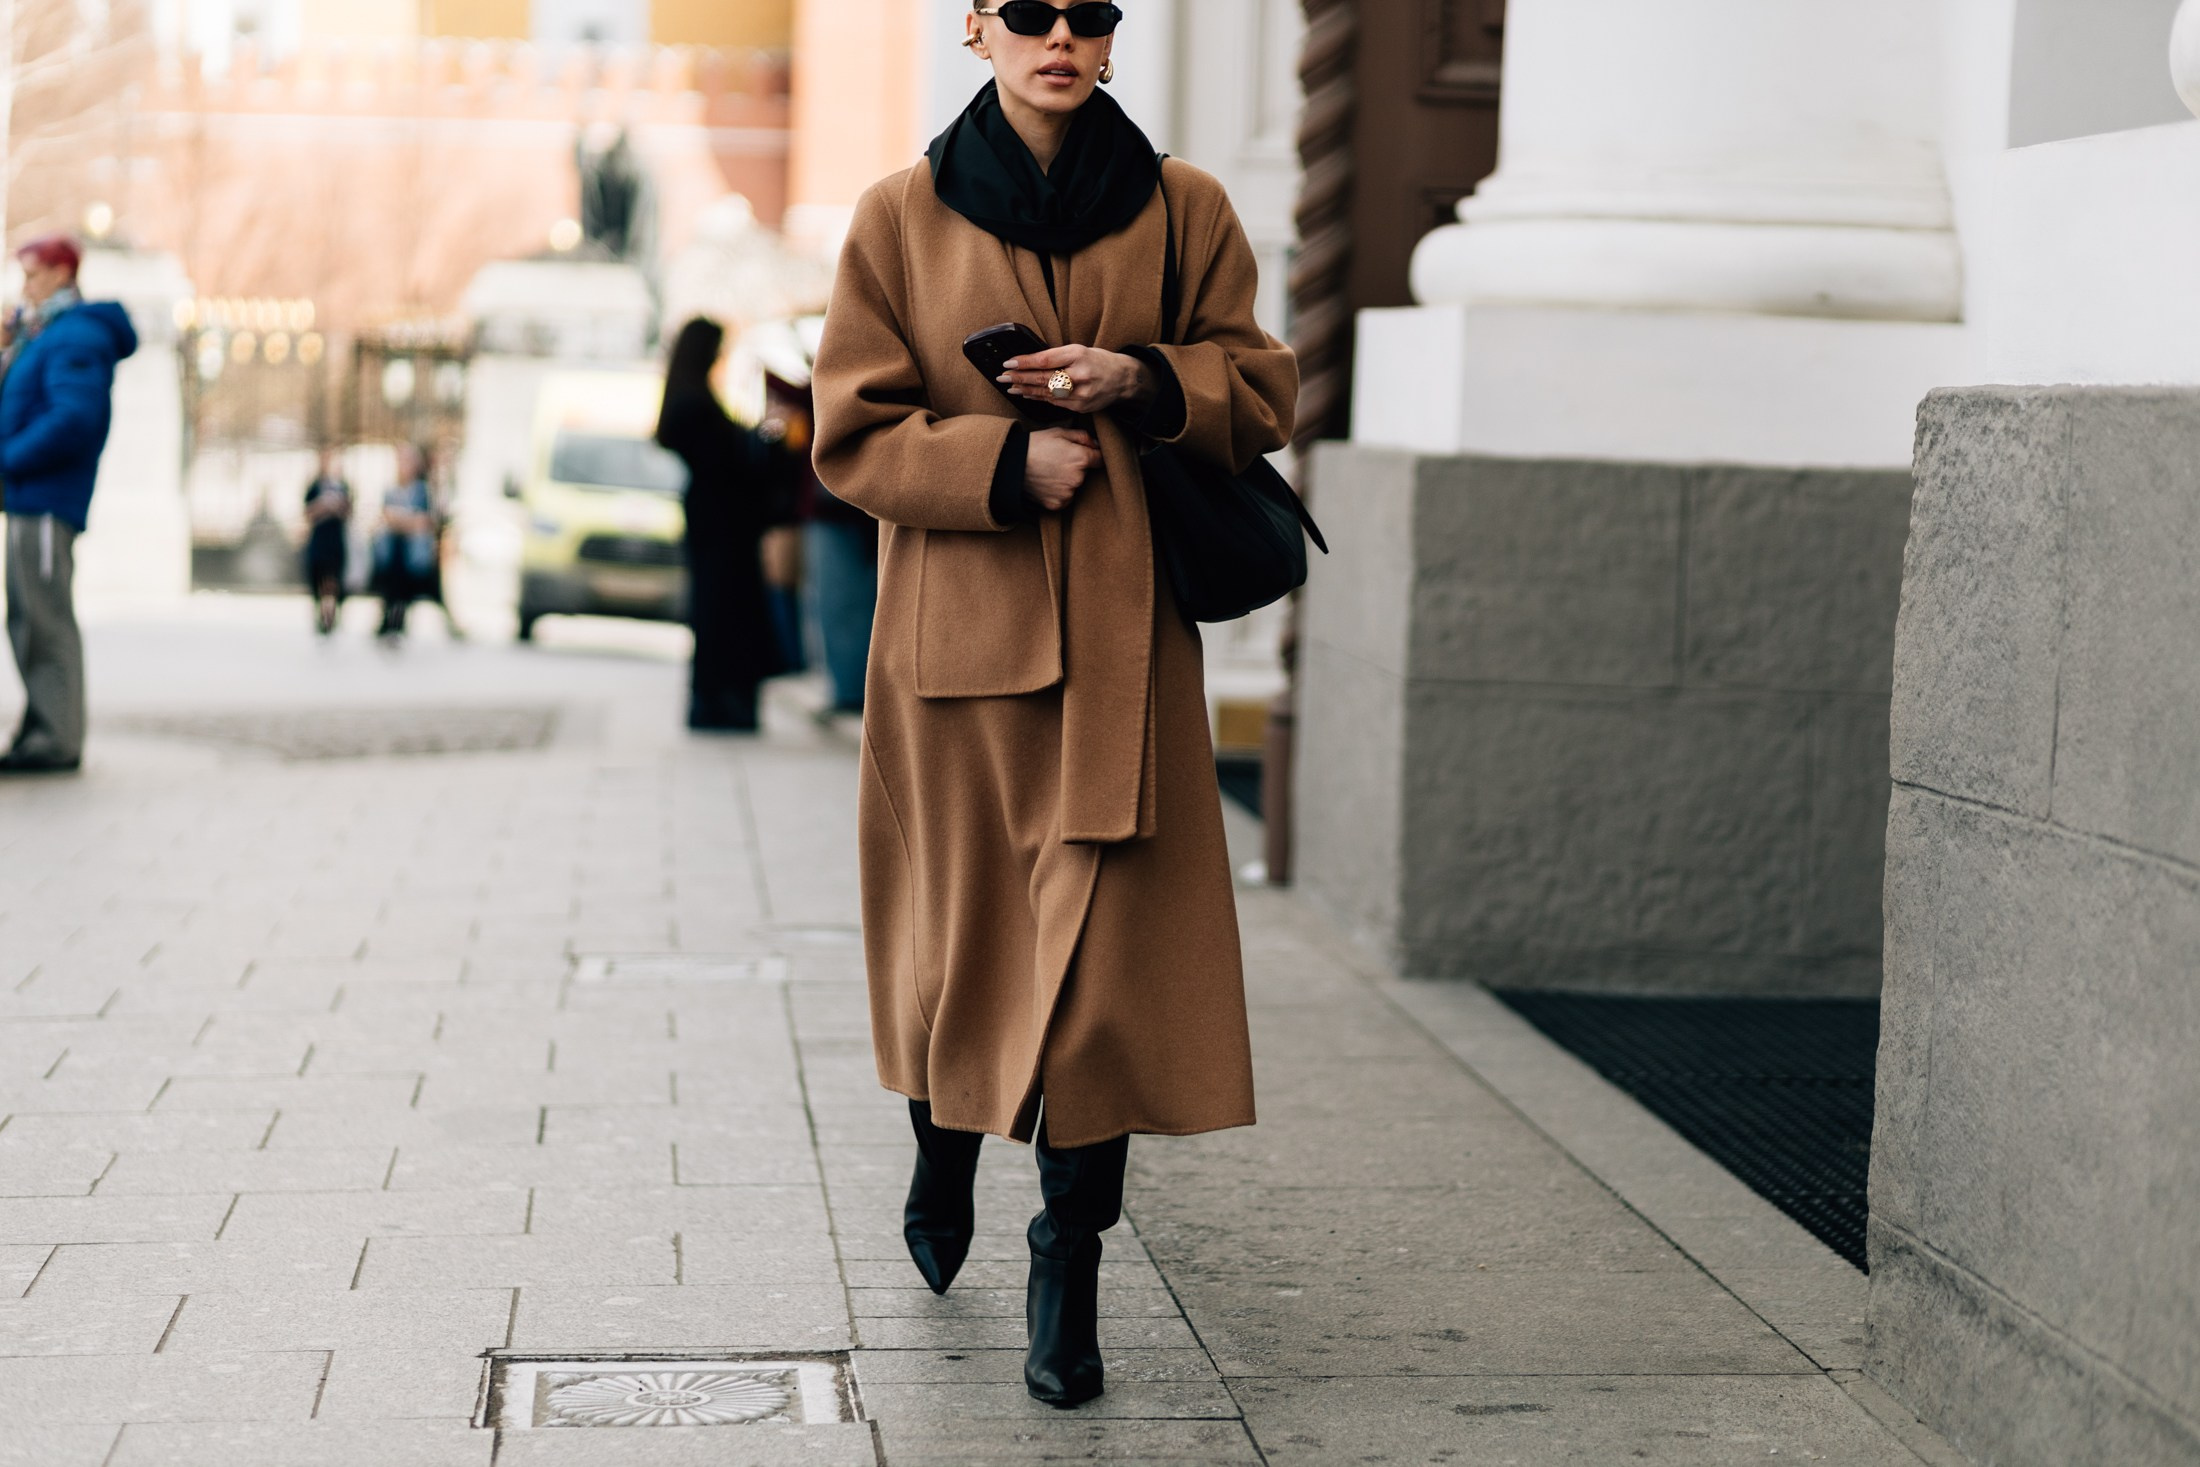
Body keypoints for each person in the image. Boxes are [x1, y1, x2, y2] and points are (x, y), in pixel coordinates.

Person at [811, 0, 1297, 1409]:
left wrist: (1142, 379)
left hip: (1128, 642)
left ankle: (1065, 1258)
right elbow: (851, 429)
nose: (1063, 35)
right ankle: (941, 1138)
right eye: (1032, 13)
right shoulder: (898, 215)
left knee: (1095, 978)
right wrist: (999, 464)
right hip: (955, 648)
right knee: (960, 945)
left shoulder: (1185, 204)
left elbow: (1259, 384)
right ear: (977, 30)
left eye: (1092, 14)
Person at [0, 234, 137, 775]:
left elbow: (74, 419)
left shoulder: (76, 335)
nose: (25, 285)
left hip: (45, 498)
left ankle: (56, 739)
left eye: (34, 274)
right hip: (28, 496)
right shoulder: (45, 332)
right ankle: (41, 729)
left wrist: (6, 457)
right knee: (27, 616)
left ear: (62, 274)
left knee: (45, 619)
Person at [654, 318, 785, 732]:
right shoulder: (693, 402)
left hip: (714, 515)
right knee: (722, 606)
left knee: (717, 607)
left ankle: (715, 700)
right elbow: (724, 460)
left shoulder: (688, 395)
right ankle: (720, 702)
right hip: (721, 518)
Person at [771, 371, 876, 715]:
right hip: (842, 509)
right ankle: (848, 687)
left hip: (844, 509)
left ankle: (851, 690)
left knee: (842, 603)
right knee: (843, 603)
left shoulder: (837, 381)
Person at [371, 443, 437, 640]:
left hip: (411, 550)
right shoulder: (391, 489)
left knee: (405, 587)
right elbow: (385, 516)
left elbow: (424, 521)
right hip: (392, 548)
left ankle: (399, 621)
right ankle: (387, 620)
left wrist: (401, 520)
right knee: (389, 584)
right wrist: (406, 520)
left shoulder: (422, 491)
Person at [302, 449, 352, 636]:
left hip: (335, 540)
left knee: (333, 578)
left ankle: (332, 613)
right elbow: (307, 512)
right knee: (319, 577)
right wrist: (323, 506)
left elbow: (348, 511)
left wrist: (337, 506)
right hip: (319, 540)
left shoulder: (343, 486)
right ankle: (321, 613)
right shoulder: (314, 486)